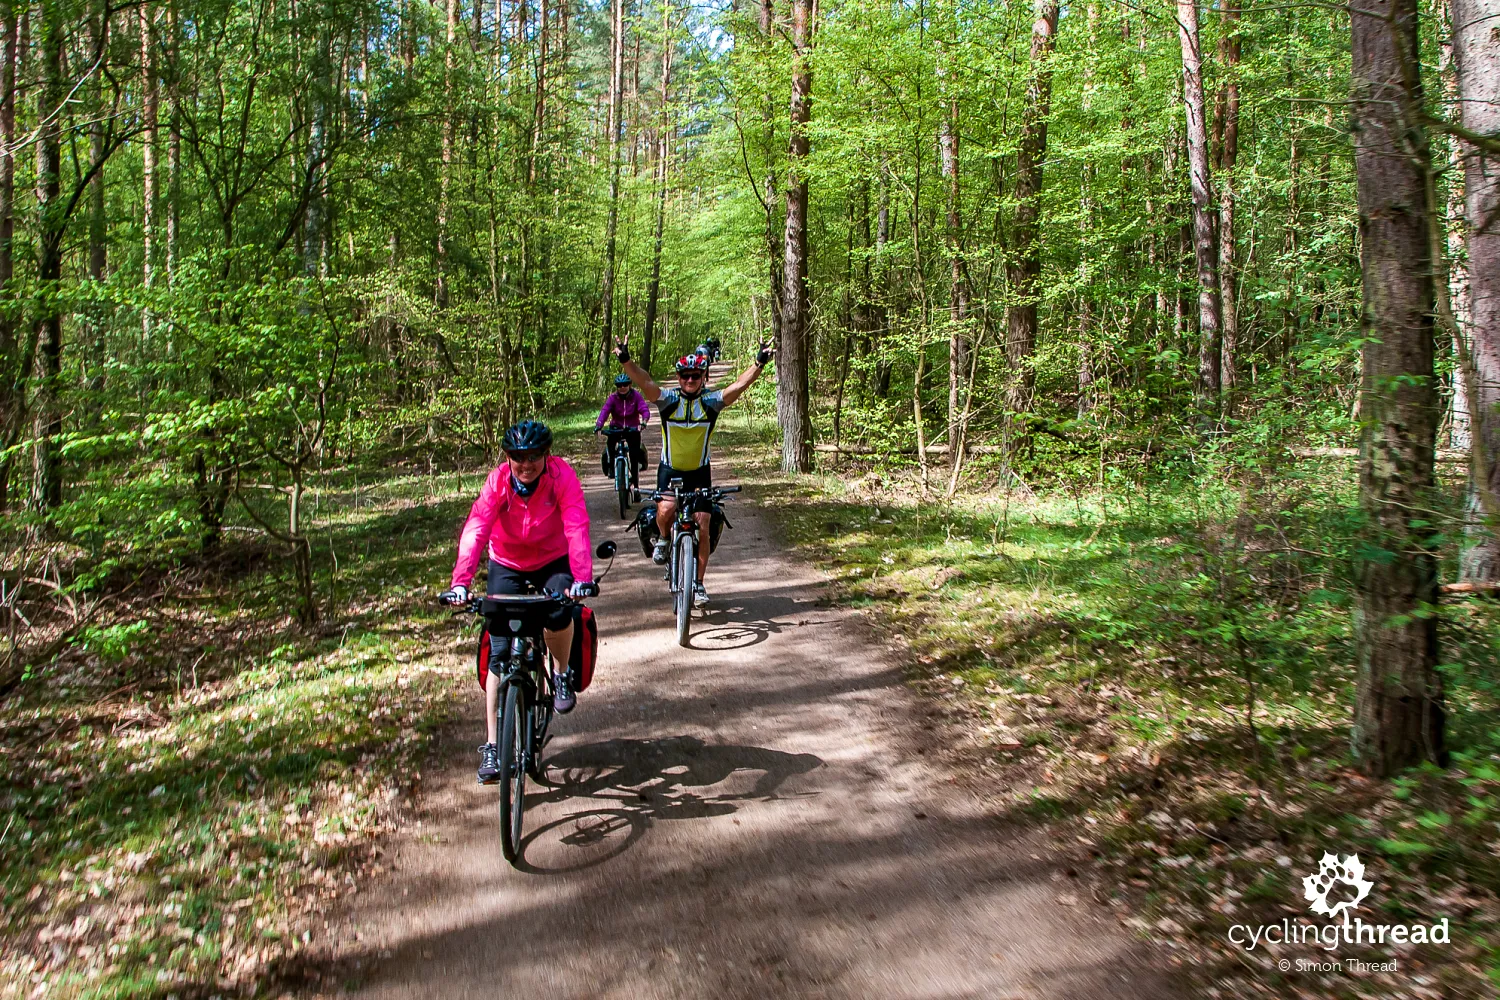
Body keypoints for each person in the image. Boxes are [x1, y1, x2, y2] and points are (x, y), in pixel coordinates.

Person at [439, 420, 594, 785]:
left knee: (559, 613)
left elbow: (575, 524)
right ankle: (493, 745)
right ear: (507, 456)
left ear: (546, 455)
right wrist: (461, 583)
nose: (526, 465)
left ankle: (559, 674)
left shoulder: (561, 477)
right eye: (518, 457)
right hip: (506, 562)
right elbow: (477, 528)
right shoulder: (497, 483)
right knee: (498, 652)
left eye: (534, 457)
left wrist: (581, 578)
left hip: (552, 559)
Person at [615, 337, 773, 608]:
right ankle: (664, 540)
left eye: (695, 375)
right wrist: (626, 361)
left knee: (702, 522)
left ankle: (698, 583)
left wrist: (759, 363)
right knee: (665, 510)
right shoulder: (668, 401)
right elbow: (644, 381)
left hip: (700, 472)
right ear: (678, 377)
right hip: (670, 469)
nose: (690, 379)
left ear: (703, 376)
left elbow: (739, 386)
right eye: (685, 375)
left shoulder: (711, 402)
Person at [595, 373, 651, 493]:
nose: (622, 387)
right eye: (619, 385)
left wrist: (644, 422)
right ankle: (611, 467)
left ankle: (636, 488)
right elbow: (605, 411)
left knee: (634, 458)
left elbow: (644, 409)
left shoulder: (636, 396)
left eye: (625, 384)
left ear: (630, 385)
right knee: (610, 445)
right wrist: (599, 425)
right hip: (616, 427)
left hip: (632, 429)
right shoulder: (613, 398)